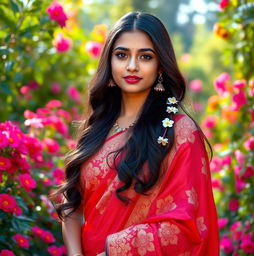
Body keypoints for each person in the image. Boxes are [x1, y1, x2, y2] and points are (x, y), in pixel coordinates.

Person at [55, 11, 219, 256]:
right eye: (122, 55)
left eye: (145, 56)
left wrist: (112, 252)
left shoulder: (180, 131)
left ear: (160, 65)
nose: (132, 66)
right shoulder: (96, 127)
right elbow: (72, 205)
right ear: (110, 62)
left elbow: (187, 226)